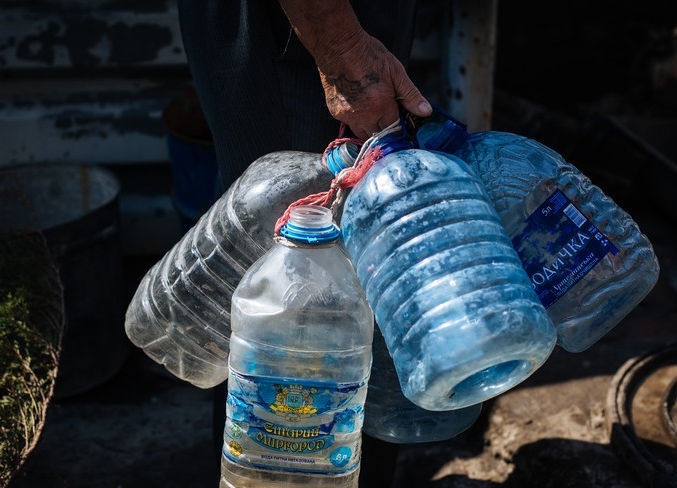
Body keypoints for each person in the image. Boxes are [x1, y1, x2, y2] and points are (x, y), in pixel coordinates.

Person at [177, 1, 431, 486]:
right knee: (294, 297)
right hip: (301, 26)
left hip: (324, 27)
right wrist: (345, 53)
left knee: (330, 291)